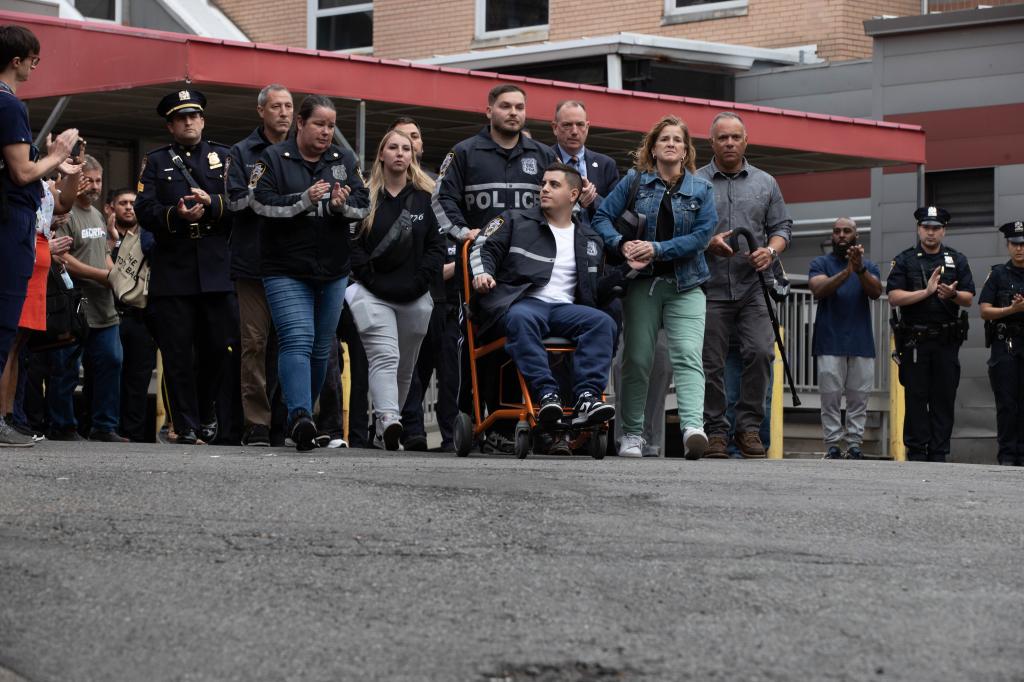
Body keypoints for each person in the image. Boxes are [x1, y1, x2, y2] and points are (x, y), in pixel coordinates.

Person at [432, 83, 556, 451]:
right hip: (476, 270)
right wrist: (462, 233)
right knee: (473, 347)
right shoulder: (464, 153)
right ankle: (471, 420)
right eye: (505, 106)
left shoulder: (542, 154)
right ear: (489, 111)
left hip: (525, 273)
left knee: (515, 345)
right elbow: (441, 199)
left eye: (519, 106)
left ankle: (515, 420)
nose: (513, 113)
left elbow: (561, 200)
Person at [593, 115, 718, 459]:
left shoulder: (702, 189)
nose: (671, 144)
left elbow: (703, 235)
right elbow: (601, 216)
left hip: (687, 283)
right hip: (641, 284)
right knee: (636, 359)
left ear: (686, 150)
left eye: (678, 140)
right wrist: (621, 244)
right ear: (653, 146)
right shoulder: (633, 181)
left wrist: (659, 248)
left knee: (688, 355)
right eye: (664, 138)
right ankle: (632, 434)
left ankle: (693, 427)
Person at [251, 94, 369, 451]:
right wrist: (303, 200)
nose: (326, 132)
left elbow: (363, 204)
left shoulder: (344, 159)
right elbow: (259, 202)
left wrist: (341, 205)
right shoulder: (273, 158)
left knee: (321, 348)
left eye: (331, 126)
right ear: (300, 123)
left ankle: (298, 415)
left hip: (332, 270)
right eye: (319, 124)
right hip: (285, 268)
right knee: (297, 338)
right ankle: (301, 415)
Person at [472, 162, 617, 427]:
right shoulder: (514, 219)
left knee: (602, 322)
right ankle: (547, 394)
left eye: (554, 184)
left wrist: (628, 271)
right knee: (521, 318)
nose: (544, 189)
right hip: (523, 303)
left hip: (565, 310)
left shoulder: (589, 237)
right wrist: (484, 274)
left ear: (573, 195)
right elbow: (482, 245)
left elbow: (596, 289)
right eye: (543, 184)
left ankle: (587, 397)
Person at [134, 89, 238, 445]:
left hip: (214, 266)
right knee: (177, 352)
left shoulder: (223, 157)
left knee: (218, 347)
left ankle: (206, 410)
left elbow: (240, 203)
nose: (189, 122)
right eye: (181, 118)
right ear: (170, 126)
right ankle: (186, 422)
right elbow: (143, 210)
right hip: (174, 265)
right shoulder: (157, 161)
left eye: (194, 116)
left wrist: (213, 205)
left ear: (203, 120)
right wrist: (174, 215)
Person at [0, 24, 79, 446]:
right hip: (10, 223)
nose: (36, 65)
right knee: (5, 324)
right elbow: (23, 172)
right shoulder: (9, 105)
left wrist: (53, 166)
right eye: (34, 58)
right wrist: (55, 155)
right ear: (18, 60)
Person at [697, 111, 792, 459]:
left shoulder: (766, 182)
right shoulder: (695, 181)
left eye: (735, 137)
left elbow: (783, 228)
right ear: (712, 143)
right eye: (723, 138)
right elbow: (684, 231)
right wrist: (707, 242)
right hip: (710, 286)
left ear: (746, 140)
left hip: (754, 286)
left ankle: (749, 428)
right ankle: (716, 432)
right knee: (711, 362)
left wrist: (770, 250)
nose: (730, 143)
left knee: (761, 352)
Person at [348, 129, 445, 450]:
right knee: (385, 357)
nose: (400, 153)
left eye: (406, 148)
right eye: (393, 147)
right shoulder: (365, 196)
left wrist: (420, 281)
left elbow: (436, 246)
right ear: (381, 154)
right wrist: (370, 279)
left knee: (405, 366)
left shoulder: (427, 197)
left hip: (415, 295)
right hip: (372, 293)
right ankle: (390, 418)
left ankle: (382, 427)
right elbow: (354, 246)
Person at [227, 84, 293, 447]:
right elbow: (235, 203)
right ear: (261, 111)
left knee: (291, 343)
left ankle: (288, 417)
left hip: (296, 264)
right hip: (253, 262)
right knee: (254, 343)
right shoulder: (242, 152)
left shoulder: (306, 150)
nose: (283, 112)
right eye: (276, 106)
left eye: (288, 106)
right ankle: (257, 423)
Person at [390, 117, 460, 452]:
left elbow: (452, 235)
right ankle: (413, 430)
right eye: (400, 139)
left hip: (443, 294)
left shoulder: (439, 185)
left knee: (446, 367)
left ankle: (450, 435)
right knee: (411, 366)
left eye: (414, 137)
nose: (408, 144)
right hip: (406, 292)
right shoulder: (385, 190)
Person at [48, 155, 128, 442]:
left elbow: (103, 254)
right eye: (88, 180)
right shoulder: (67, 214)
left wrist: (117, 276)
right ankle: (63, 425)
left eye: (98, 181)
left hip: (104, 308)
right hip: (75, 306)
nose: (94, 186)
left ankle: (104, 426)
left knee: (111, 362)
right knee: (66, 367)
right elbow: (63, 258)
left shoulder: (96, 214)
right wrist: (101, 276)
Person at [887, 206, 975, 463]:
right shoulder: (905, 260)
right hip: (916, 340)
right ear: (918, 229)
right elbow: (893, 297)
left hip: (946, 341)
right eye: (926, 227)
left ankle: (939, 453)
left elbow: (969, 298)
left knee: (944, 397)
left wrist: (953, 295)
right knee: (915, 397)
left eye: (936, 228)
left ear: (943, 231)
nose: (930, 232)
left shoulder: (957, 260)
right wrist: (926, 292)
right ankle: (916, 452)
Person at [0, 169, 78, 446]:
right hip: (24, 255)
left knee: (19, 346)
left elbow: (64, 203)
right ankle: (2, 418)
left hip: (39, 261)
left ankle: (10, 416)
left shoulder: (44, 185)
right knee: (8, 343)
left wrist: (73, 174)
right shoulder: (17, 180)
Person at [808, 218, 882, 460]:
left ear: (856, 236)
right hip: (829, 340)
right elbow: (819, 289)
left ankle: (854, 444)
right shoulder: (820, 262)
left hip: (861, 341)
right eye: (837, 231)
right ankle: (832, 444)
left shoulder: (868, 265)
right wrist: (847, 271)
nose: (841, 235)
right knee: (830, 396)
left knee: (858, 397)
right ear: (832, 236)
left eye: (847, 231)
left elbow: (876, 292)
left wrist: (859, 269)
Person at [109, 187, 158, 443]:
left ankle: (134, 435)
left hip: (141, 315)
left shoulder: (147, 231)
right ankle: (107, 427)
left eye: (132, 203)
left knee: (138, 379)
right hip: (112, 315)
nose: (129, 207)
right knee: (110, 374)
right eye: (123, 203)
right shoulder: (107, 237)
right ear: (111, 208)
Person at [980, 220, 1024, 466]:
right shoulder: (998, 274)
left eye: (1023, 244)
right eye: (1015, 244)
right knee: (1007, 403)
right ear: (1007, 245)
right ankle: (1007, 456)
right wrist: (1012, 309)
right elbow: (985, 311)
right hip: (1005, 345)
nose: (1020, 249)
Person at [549, 100, 619, 224]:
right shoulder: (544, 159)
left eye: (580, 124)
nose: (575, 131)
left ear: (587, 127)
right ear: (555, 128)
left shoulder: (606, 165)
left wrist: (593, 199)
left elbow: (616, 211)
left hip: (594, 239)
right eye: (567, 125)